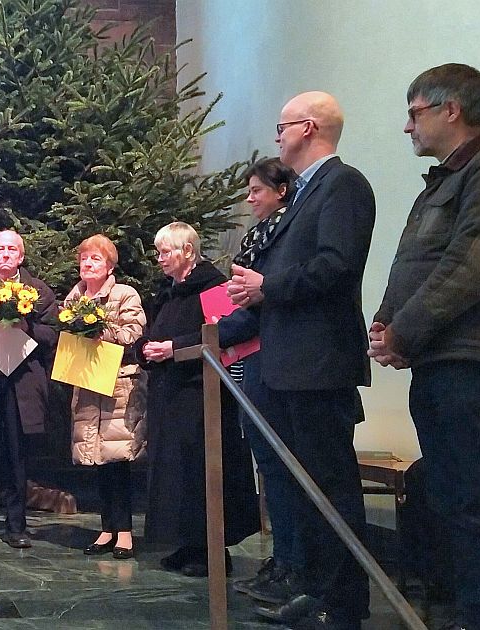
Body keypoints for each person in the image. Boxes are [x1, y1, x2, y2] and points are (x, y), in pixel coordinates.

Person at [227, 91, 375, 629]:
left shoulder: (343, 184)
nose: (277, 136)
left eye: (281, 126)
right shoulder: (307, 194)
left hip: (318, 364)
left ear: (307, 128)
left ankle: (345, 604)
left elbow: (337, 265)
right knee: (306, 489)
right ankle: (317, 588)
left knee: (331, 490)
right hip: (290, 366)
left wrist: (268, 286)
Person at [369, 63, 480, 630]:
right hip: (442, 361)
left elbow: (470, 266)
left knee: (475, 504)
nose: (407, 127)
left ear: (452, 109)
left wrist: (405, 330)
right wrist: (387, 322)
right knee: (451, 498)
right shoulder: (447, 177)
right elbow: (417, 264)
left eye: (414, 112)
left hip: (471, 363)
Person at [137, 222, 259, 577]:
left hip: (199, 395)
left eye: (165, 252)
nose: (159, 259)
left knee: (200, 469)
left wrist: (173, 349)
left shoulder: (214, 286)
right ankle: (187, 542)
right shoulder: (169, 290)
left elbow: (224, 332)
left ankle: (212, 549)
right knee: (177, 472)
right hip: (169, 394)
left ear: (187, 251)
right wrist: (146, 347)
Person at [221, 158, 305, 603]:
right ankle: (282, 559)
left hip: (274, 356)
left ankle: (294, 564)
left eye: (257, 190)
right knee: (269, 469)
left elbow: (259, 299)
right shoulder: (257, 235)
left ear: (281, 191)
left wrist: (219, 330)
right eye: (248, 190)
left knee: (283, 469)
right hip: (248, 361)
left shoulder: (283, 231)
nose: (250, 198)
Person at [0, 230, 58, 549]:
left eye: (12, 250)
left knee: (17, 455)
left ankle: (16, 525)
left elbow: (55, 334)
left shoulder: (39, 291)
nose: (5, 254)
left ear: (21, 256)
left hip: (20, 383)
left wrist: (27, 326)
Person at [66, 234, 146, 561]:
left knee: (117, 459)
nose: (88, 263)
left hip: (118, 385)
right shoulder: (75, 297)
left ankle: (125, 532)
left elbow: (134, 333)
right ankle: (106, 529)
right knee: (98, 458)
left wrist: (103, 332)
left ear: (110, 265)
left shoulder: (125, 294)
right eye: (85, 258)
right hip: (87, 384)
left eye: (95, 259)